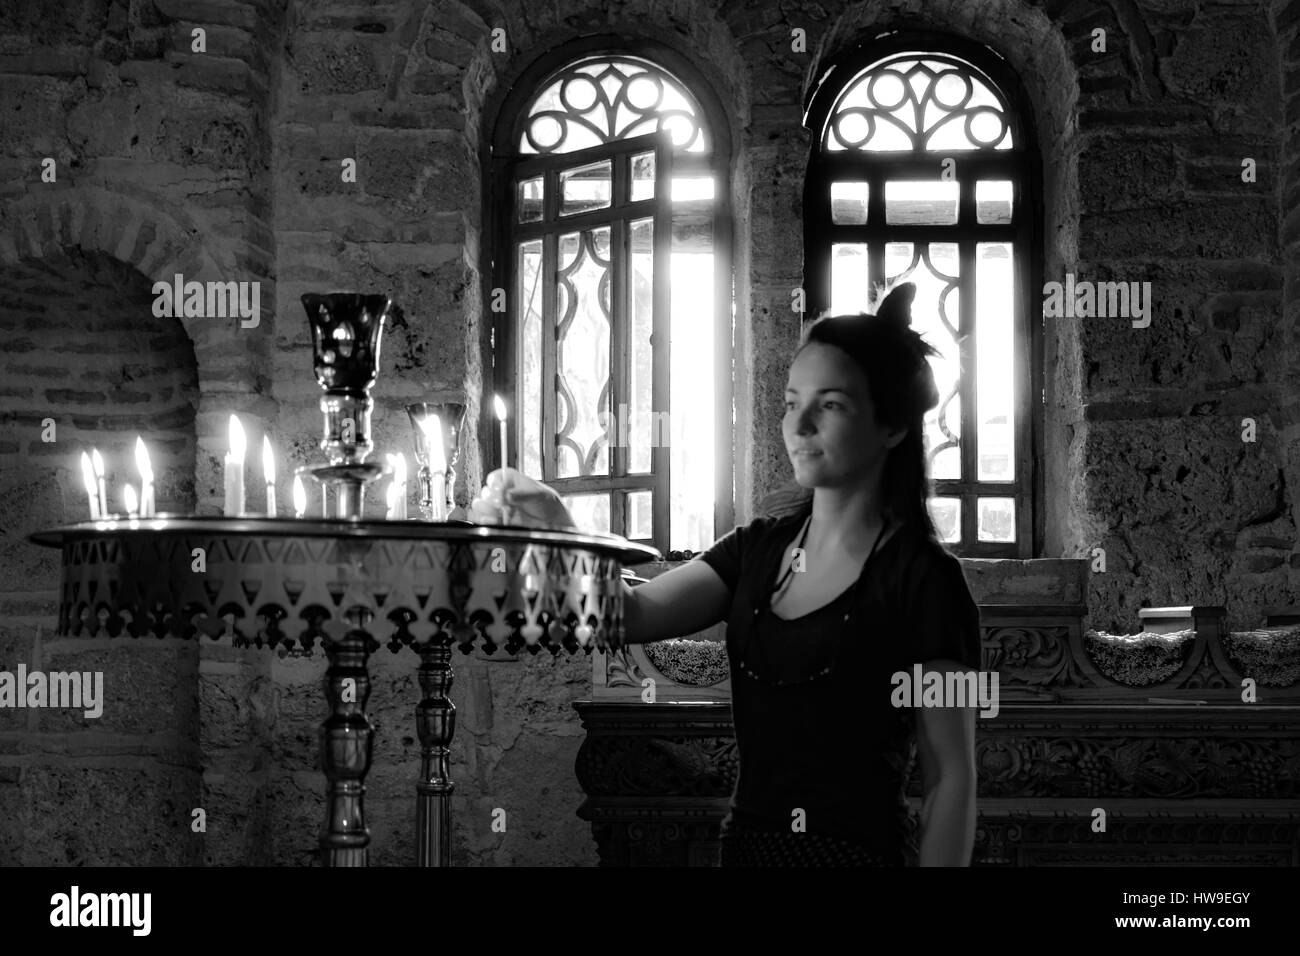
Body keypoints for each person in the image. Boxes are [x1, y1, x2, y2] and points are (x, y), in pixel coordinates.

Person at [470, 281, 981, 867]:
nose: (800, 424)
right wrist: (557, 533)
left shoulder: (930, 583)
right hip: (745, 854)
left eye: (831, 404)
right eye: (793, 402)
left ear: (892, 426)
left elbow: (952, 781)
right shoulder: (755, 551)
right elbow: (629, 615)